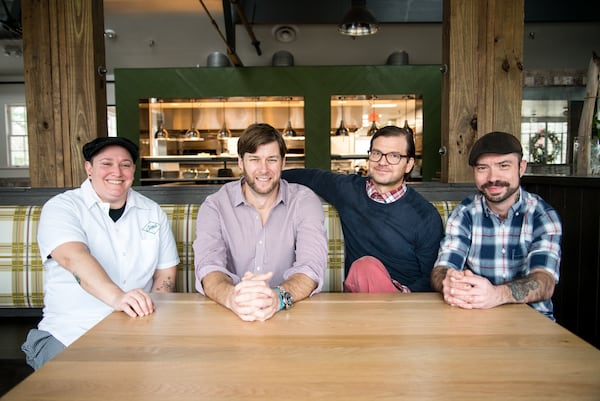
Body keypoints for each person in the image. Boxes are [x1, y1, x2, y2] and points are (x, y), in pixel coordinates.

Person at [22, 137, 179, 369]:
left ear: (133, 170)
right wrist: (118, 298)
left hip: (137, 331)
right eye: (106, 163)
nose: (117, 171)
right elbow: (73, 257)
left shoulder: (152, 212)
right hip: (70, 332)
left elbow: (165, 272)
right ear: (89, 169)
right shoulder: (62, 207)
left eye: (125, 164)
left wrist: (152, 322)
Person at [282, 125, 443, 293]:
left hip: (404, 303)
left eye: (394, 156)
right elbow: (308, 176)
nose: (382, 161)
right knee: (364, 267)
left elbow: (431, 276)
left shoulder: (425, 215)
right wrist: (267, 178)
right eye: (376, 153)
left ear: (409, 164)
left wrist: (402, 297)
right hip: (359, 297)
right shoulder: (348, 190)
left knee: (366, 267)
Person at [194, 123, 328, 322]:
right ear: (240, 162)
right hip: (229, 315)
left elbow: (310, 267)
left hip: (292, 314)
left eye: (271, 160)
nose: (264, 169)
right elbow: (209, 266)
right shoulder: (215, 206)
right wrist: (232, 298)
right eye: (254, 159)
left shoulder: (304, 201)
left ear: (283, 162)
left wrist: (278, 297)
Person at [431, 131, 562, 319]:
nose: (493, 177)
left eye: (503, 166)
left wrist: (497, 294)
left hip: (533, 321)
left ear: (521, 168)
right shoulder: (464, 213)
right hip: (474, 317)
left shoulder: (542, 215)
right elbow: (442, 268)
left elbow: (545, 282)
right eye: (483, 168)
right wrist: (449, 281)